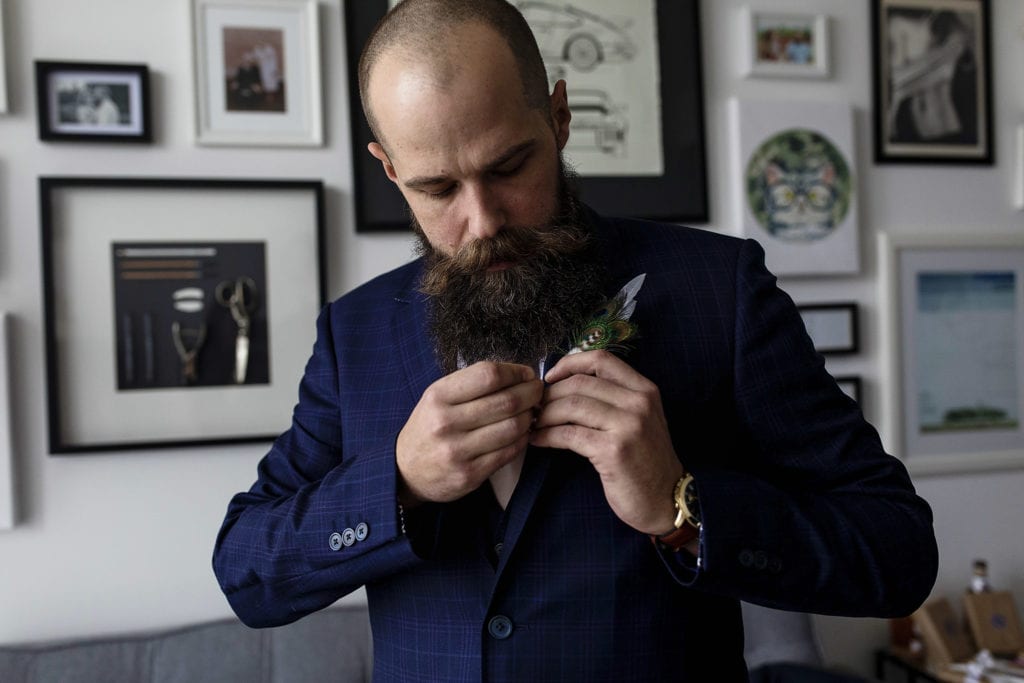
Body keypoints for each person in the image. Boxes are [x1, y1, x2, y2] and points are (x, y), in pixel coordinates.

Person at [212, 1, 939, 680]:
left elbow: (899, 550)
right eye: (438, 189)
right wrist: (397, 482)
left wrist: (683, 505)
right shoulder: (355, 331)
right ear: (391, 169)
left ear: (558, 118)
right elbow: (246, 573)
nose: (485, 220)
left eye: (508, 167)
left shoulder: (722, 291)